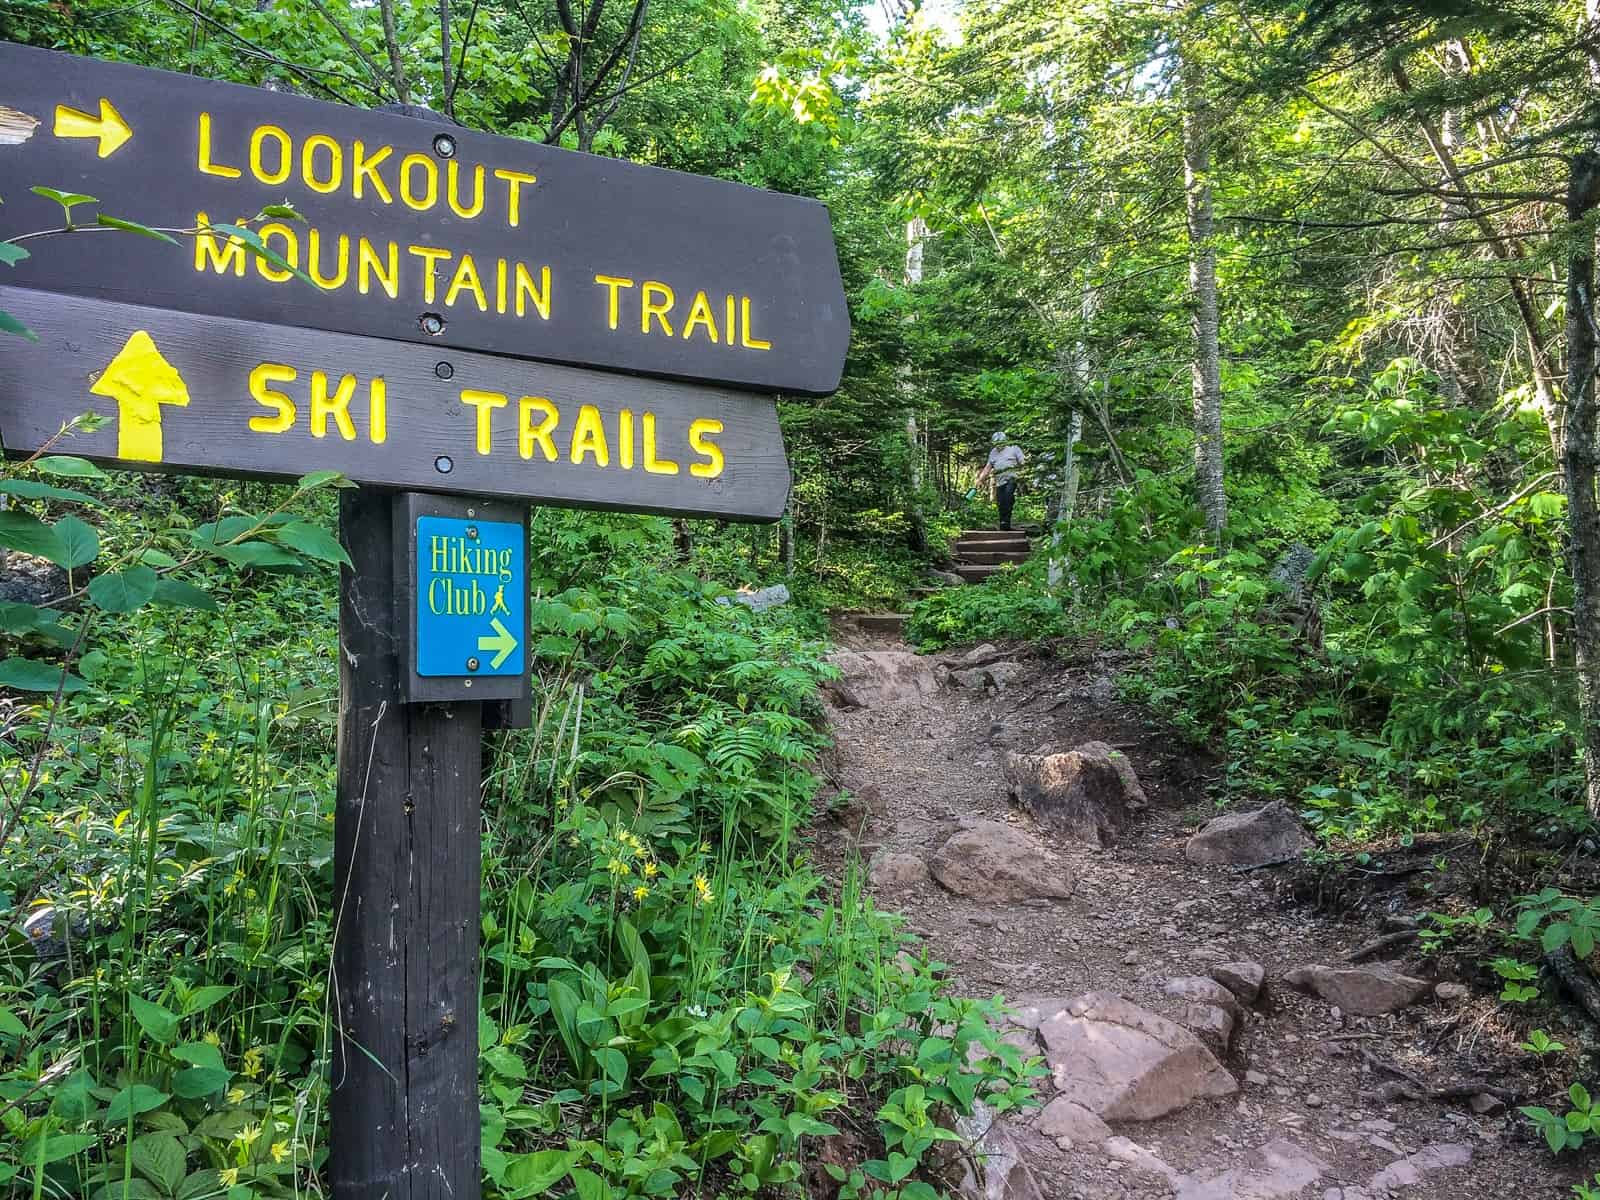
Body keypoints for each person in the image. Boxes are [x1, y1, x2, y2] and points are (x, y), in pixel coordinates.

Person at [975, 431, 1026, 531]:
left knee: (1008, 497)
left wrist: (1023, 474)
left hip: (1012, 479)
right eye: (996, 444)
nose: (999, 446)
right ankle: (1003, 523)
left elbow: (1023, 462)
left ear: (1005, 441)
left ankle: (1006, 521)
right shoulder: (993, 452)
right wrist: (980, 479)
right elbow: (987, 468)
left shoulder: (1014, 448)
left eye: (1001, 443)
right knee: (1001, 502)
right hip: (999, 482)